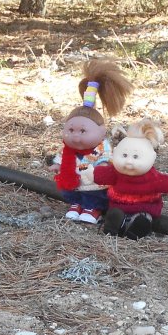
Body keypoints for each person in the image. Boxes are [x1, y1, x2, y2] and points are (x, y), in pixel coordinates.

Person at [52, 58, 132, 225]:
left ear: (101, 131)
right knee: (74, 191)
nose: (75, 136)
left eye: (82, 131)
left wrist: (103, 167)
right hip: (75, 180)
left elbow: (107, 159)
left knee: (93, 194)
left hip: (95, 183)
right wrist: (58, 165)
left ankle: (93, 209)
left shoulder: (103, 147)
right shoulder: (68, 150)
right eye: (71, 130)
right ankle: (76, 205)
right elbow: (62, 158)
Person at [93, 119, 168, 239]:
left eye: (136, 157)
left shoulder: (152, 177)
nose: (129, 161)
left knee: (143, 219)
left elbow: (164, 181)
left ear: (152, 157)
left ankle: (136, 230)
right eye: (124, 155)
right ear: (115, 153)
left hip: (144, 208)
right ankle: (115, 225)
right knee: (115, 213)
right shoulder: (115, 172)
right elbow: (103, 175)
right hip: (118, 206)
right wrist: (91, 174)